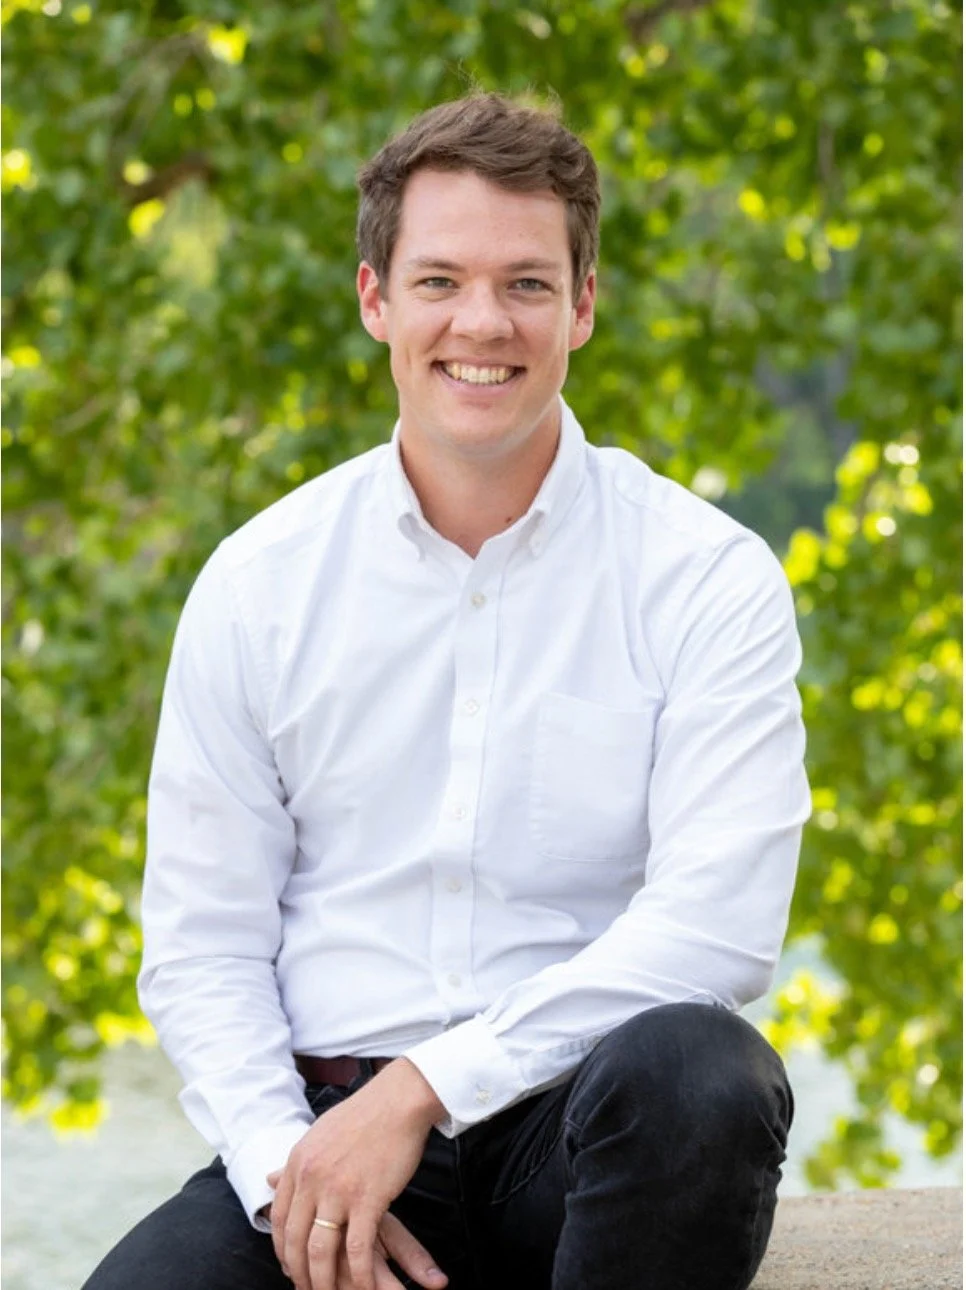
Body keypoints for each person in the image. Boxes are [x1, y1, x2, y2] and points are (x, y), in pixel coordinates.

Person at [83, 93, 810, 1290]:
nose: (484, 321)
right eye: (439, 281)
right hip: (325, 1132)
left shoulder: (704, 578)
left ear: (583, 305)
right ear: (376, 299)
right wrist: (290, 1174)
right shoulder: (261, 585)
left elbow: (713, 929)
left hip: (576, 1142)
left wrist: (427, 1085)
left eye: (527, 283)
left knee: (702, 1071)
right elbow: (203, 945)